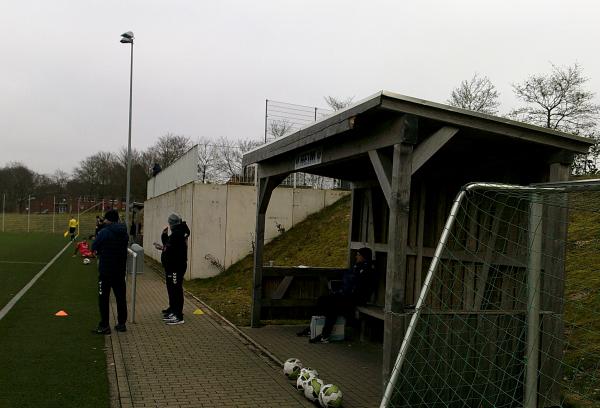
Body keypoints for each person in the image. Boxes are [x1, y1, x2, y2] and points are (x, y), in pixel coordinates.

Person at [298, 247, 375, 343]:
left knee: (333, 306)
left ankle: (325, 335)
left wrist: (345, 291)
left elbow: (359, 286)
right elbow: (349, 280)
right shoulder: (357, 267)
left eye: (359, 255)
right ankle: (312, 328)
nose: (356, 257)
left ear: (364, 257)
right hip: (347, 294)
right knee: (322, 300)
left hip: (356, 298)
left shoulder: (368, 270)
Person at [91, 209, 129, 334]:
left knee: (103, 298)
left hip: (106, 270)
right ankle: (122, 323)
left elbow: (94, 246)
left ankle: (105, 325)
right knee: (120, 297)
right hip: (120, 269)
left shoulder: (104, 232)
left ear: (108, 219)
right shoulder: (124, 232)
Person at [160, 213, 190, 325]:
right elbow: (169, 246)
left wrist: (164, 242)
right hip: (173, 266)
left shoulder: (177, 234)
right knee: (172, 288)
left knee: (176, 289)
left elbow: (169, 247)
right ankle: (174, 310)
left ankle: (178, 315)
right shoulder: (177, 234)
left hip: (176, 267)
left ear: (172, 224)